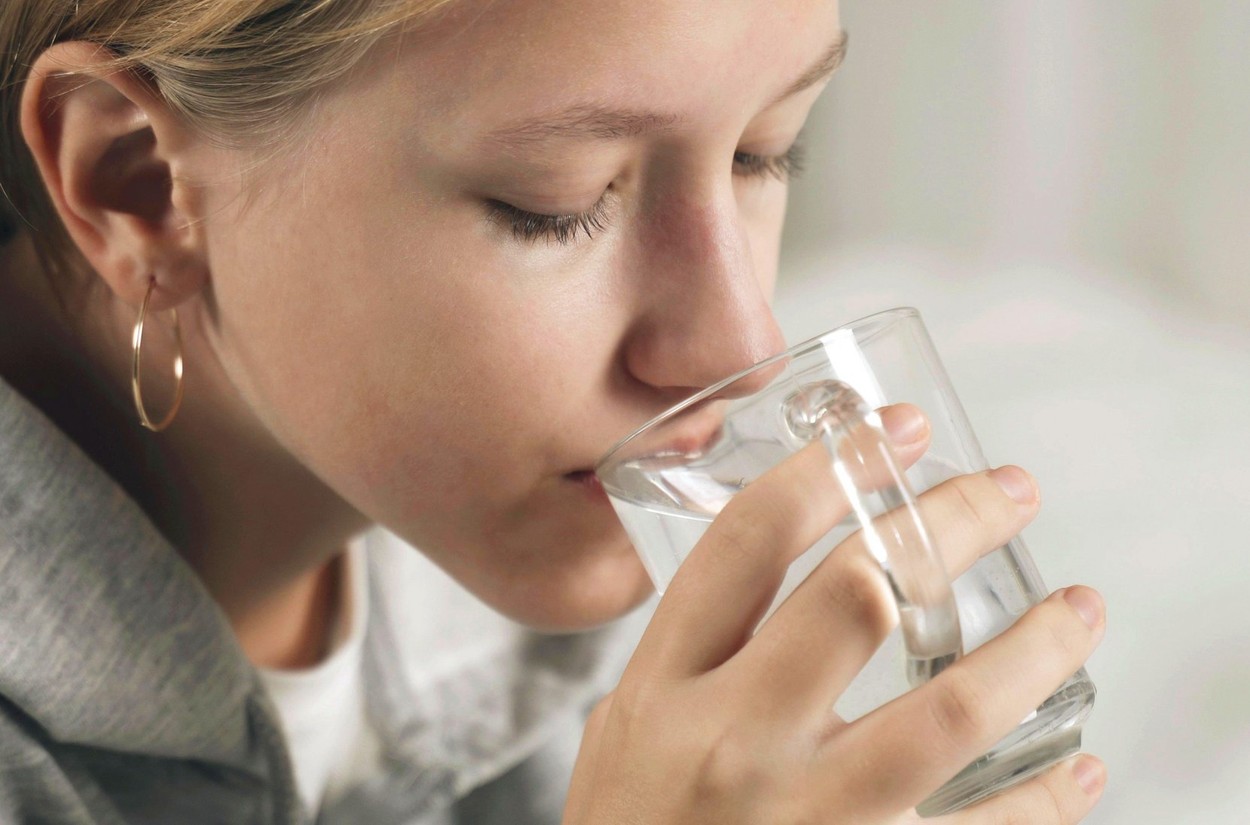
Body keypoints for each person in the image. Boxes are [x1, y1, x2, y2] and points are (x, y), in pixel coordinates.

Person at [0, 0, 1107, 822]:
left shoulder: (552, 557)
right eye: (556, 206)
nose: (737, 346)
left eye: (765, 151)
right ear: (134, 183)